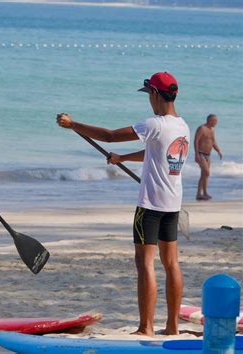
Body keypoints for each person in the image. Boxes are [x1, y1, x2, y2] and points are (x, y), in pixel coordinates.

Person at [56, 72, 190, 336]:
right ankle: (173, 326)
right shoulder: (182, 126)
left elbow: (108, 135)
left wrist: (73, 125)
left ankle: (146, 327)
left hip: (150, 206)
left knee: (145, 263)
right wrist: (124, 159)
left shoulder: (155, 124)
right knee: (171, 263)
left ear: (154, 94)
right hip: (173, 204)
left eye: (148, 95)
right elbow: (157, 152)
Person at [194, 114, 222, 201]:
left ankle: (201, 194)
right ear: (210, 120)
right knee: (206, 172)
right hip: (201, 153)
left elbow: (213, 142)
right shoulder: (202, 128)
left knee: (204, 175)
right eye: (215, 121)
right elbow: (196, 141)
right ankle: (202, 193)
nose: (216, 123)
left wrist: (218, 151)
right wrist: (197, 154)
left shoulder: (212, 130)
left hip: (208, 155)